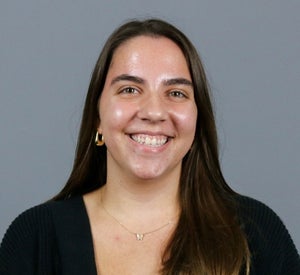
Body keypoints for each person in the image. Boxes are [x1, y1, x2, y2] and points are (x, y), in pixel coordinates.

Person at [0, 18, 299, 275]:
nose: (154, 112)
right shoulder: (34, 239)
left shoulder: (255, 233)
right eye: (130, 89)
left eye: (176, 93)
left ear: (198, 119)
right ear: (97, 118)